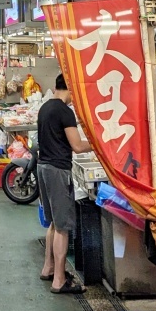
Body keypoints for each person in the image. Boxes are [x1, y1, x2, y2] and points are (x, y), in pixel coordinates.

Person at [37, 74, 91, 294]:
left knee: (52, 222)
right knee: (63, 227)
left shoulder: (45, 107)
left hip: (43, 167)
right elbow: (77, 146)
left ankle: (48, 267)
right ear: (71, 90)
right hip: (59, 170)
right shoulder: (64, 111)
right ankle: (59, 280)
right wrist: (99, 145)